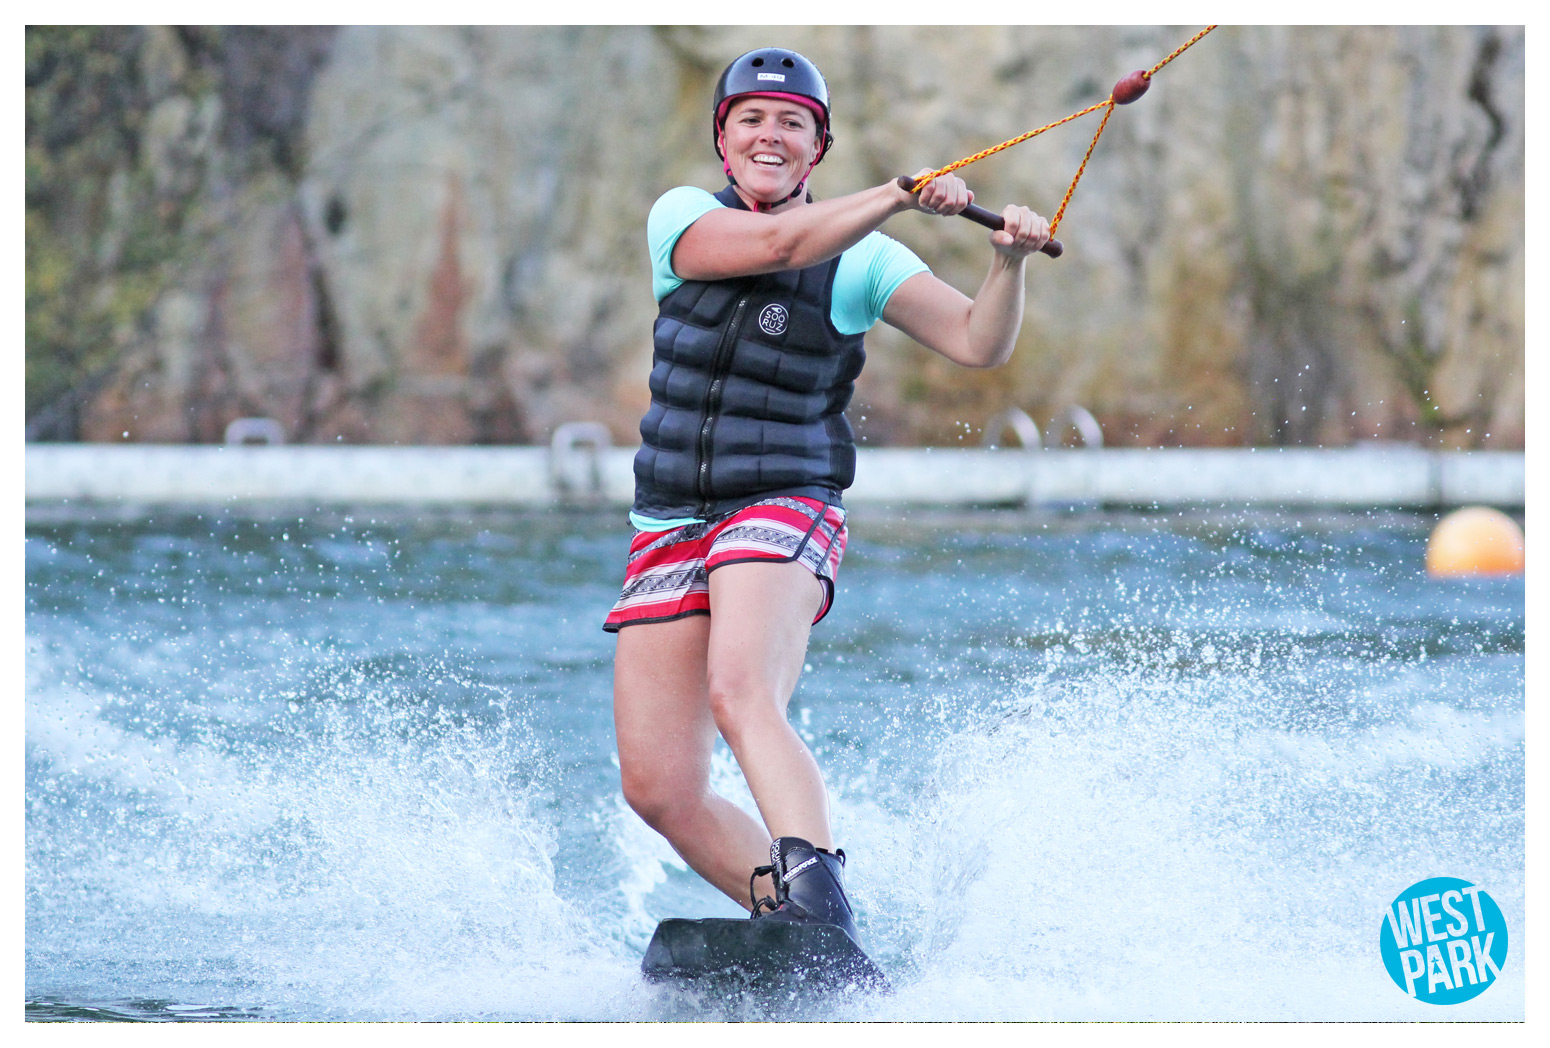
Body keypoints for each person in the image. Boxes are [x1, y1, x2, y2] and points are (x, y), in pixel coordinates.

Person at [605, 47, 1050, 950]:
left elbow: (978, 344)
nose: (770, 136)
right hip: (670, 520)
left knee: (741, 689)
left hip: (783, 502)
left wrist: (1008, 265)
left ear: (818, 149)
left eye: (793, 124)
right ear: (724, 141)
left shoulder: (867, 261)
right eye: (751, 121)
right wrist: (895, 194)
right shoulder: (682, 217)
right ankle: (793, 921)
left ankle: (820, 905)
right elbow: (778, 246)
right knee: (659, 788)